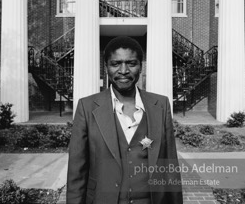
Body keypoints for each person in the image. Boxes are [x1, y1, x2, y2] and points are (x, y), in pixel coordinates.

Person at [67, 36, 183, 204]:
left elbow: (170, 165)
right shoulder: (87, 107)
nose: (123, 70)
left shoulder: (161, 104)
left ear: (141, 66)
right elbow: (76, 171)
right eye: (115, 64)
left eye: (131, 63)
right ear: (106, 66)